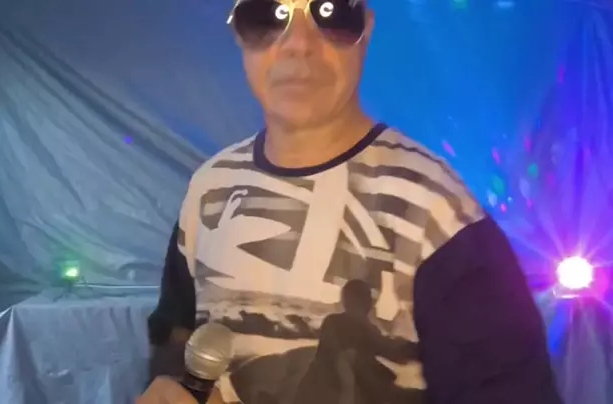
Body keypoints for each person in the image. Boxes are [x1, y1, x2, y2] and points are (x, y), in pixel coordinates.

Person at [140, 0, 563, 403]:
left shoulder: (437, 212)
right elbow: (174, 333)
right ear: (237, 30)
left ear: (367, 30)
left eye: (331, 12)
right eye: (269, 13)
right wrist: (172, 385)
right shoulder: (210, 187)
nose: (298, 43)